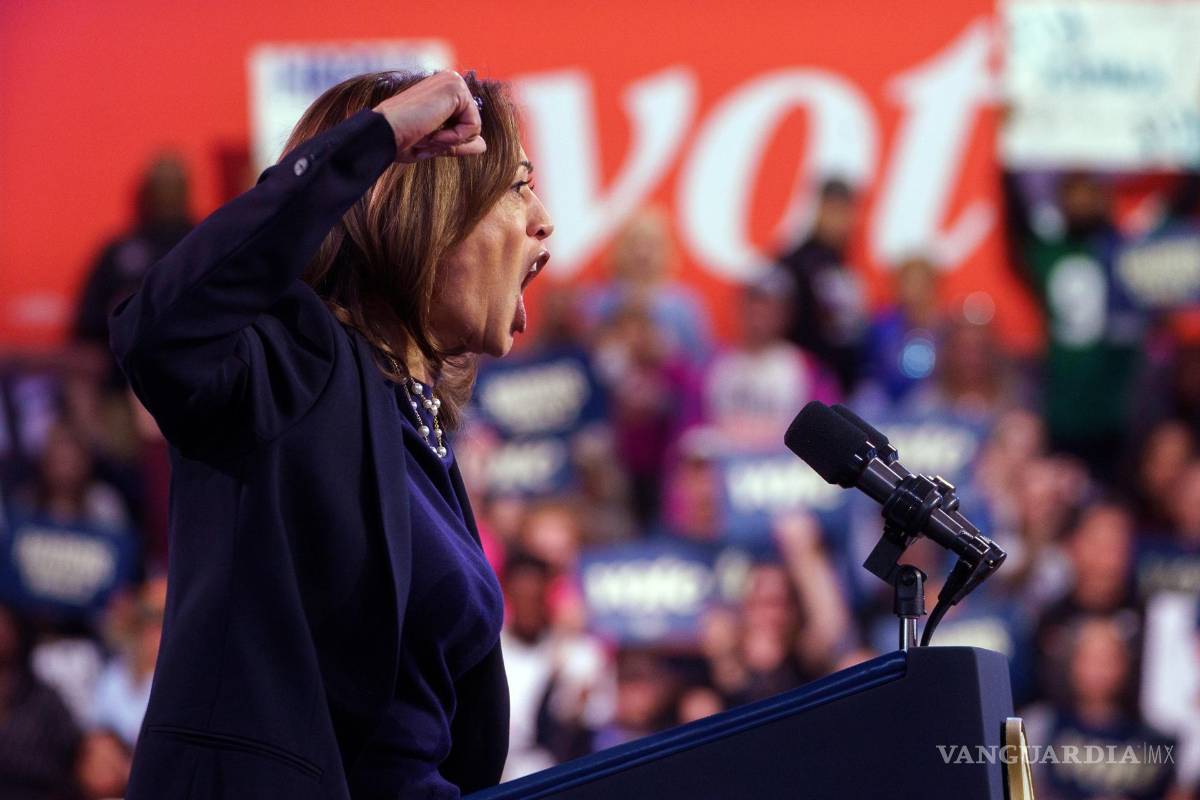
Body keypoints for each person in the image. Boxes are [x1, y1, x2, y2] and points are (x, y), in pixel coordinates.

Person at [108, 70, 553, 798]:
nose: (544, 221)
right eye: (516, 187)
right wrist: (376, 140)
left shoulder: (418, 425)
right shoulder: (291, 368)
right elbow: (158, 332)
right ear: (423, 211)